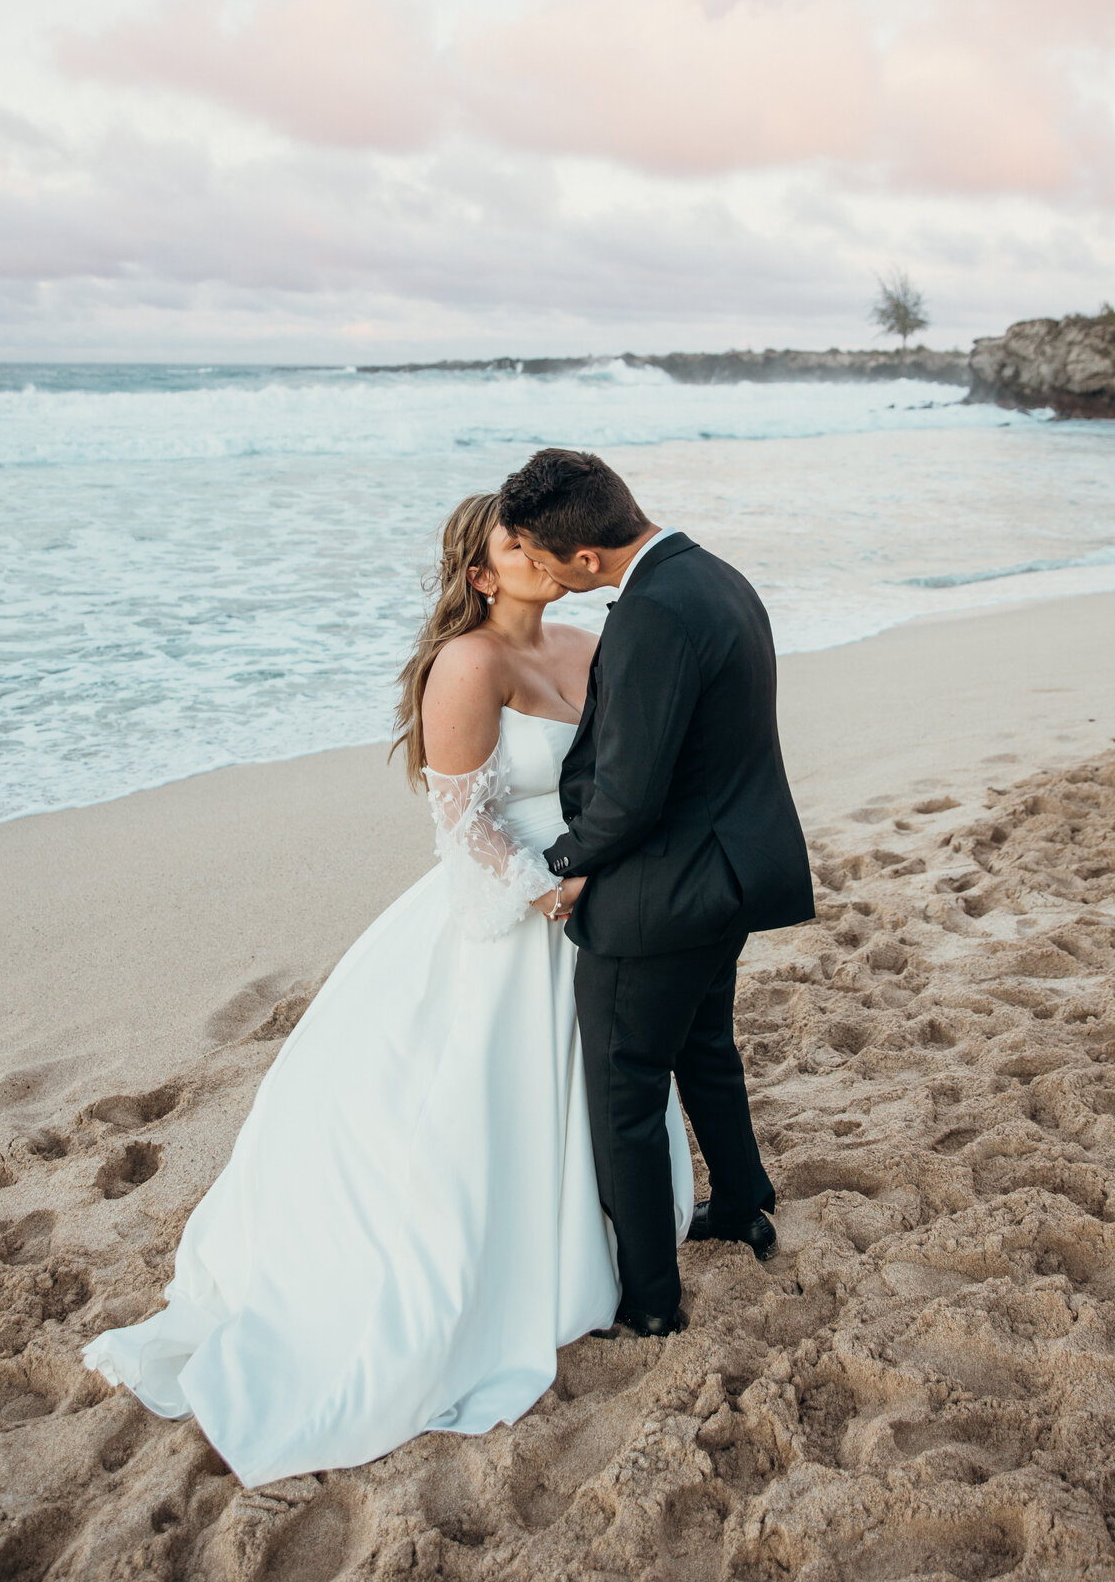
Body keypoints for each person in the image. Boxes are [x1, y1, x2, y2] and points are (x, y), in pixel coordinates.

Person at [82, 493, 694, 1487]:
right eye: (515, 542)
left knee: (608, 1087)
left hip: (602, 909)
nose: (540, 550)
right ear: (484, 575)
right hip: (519, 917)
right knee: (467, 1118)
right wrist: (552, 892)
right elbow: (465, 833)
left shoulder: (588, 645)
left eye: (545, 537)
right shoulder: (466, 667)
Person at [498, 449, 815, 1338]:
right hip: (736, 874)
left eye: (550, 560)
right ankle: (743, 1201)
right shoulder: (714, 575)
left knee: (624, 1092)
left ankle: (649, 1299)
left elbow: (629, 796)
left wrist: (558, 868)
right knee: (706, 1046)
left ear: (587, 558)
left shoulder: (650, 617)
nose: (548, 575)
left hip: (666, 899)